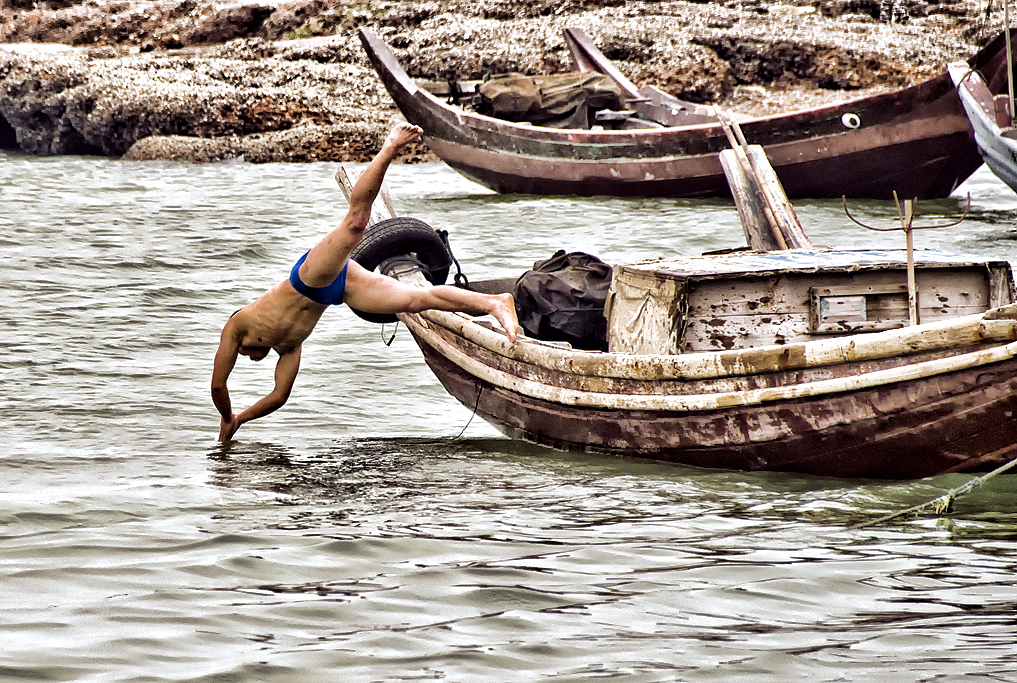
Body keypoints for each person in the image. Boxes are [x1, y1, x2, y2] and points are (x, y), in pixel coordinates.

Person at [212, 123, 521, 442]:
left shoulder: (237, 325)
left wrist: (223, 414)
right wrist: (237, 420)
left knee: (357, 221)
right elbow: (278, 397)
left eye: (247, 354)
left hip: (308, 278)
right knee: (417, 301)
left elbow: (218, 385)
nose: (250, 357)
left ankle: (389, 146)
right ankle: (495, 302)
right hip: (340, 290)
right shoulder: (289, 348)